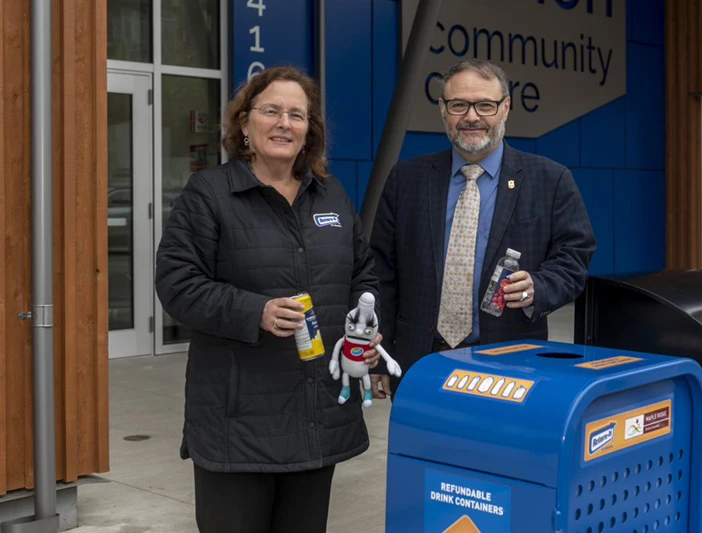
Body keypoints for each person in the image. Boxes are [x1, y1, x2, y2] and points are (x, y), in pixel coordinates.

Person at [154, 66, 381, 533]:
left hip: (318, 414)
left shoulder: (331, 195)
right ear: (244, 124)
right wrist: (254, 311)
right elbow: (177, 283)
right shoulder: (210, 194)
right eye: (271, 110)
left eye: (297, 115)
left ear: (309, 132)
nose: (284, 123)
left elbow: (364, 273)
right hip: (237, 421)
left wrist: (368, 322)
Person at [369, 59, 596, 398]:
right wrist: (379, 357)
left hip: (511, 362)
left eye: (485, 105)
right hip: (419, 362)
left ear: (506, 108)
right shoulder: (407, 180)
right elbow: (381, 274)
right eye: (459, 105)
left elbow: (574, 258)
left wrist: (539, 286)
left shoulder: (551, 180)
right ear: (443, 110)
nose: (472, 117)